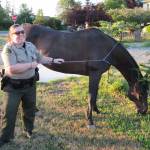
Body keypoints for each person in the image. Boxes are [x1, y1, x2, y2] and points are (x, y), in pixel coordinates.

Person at [0, 24, 64, 147]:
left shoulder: (30, 46)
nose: (20, 35)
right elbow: (11, 69)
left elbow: (40, 58)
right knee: (9, 112)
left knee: (29, 110)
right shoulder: (8, 49)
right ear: (11, 35)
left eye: (22, 32)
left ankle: (28, 130)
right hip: (13, 87)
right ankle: (5, 137)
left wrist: (53, 60)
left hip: (30, 84)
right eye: (16, 33)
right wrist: (31, 65)